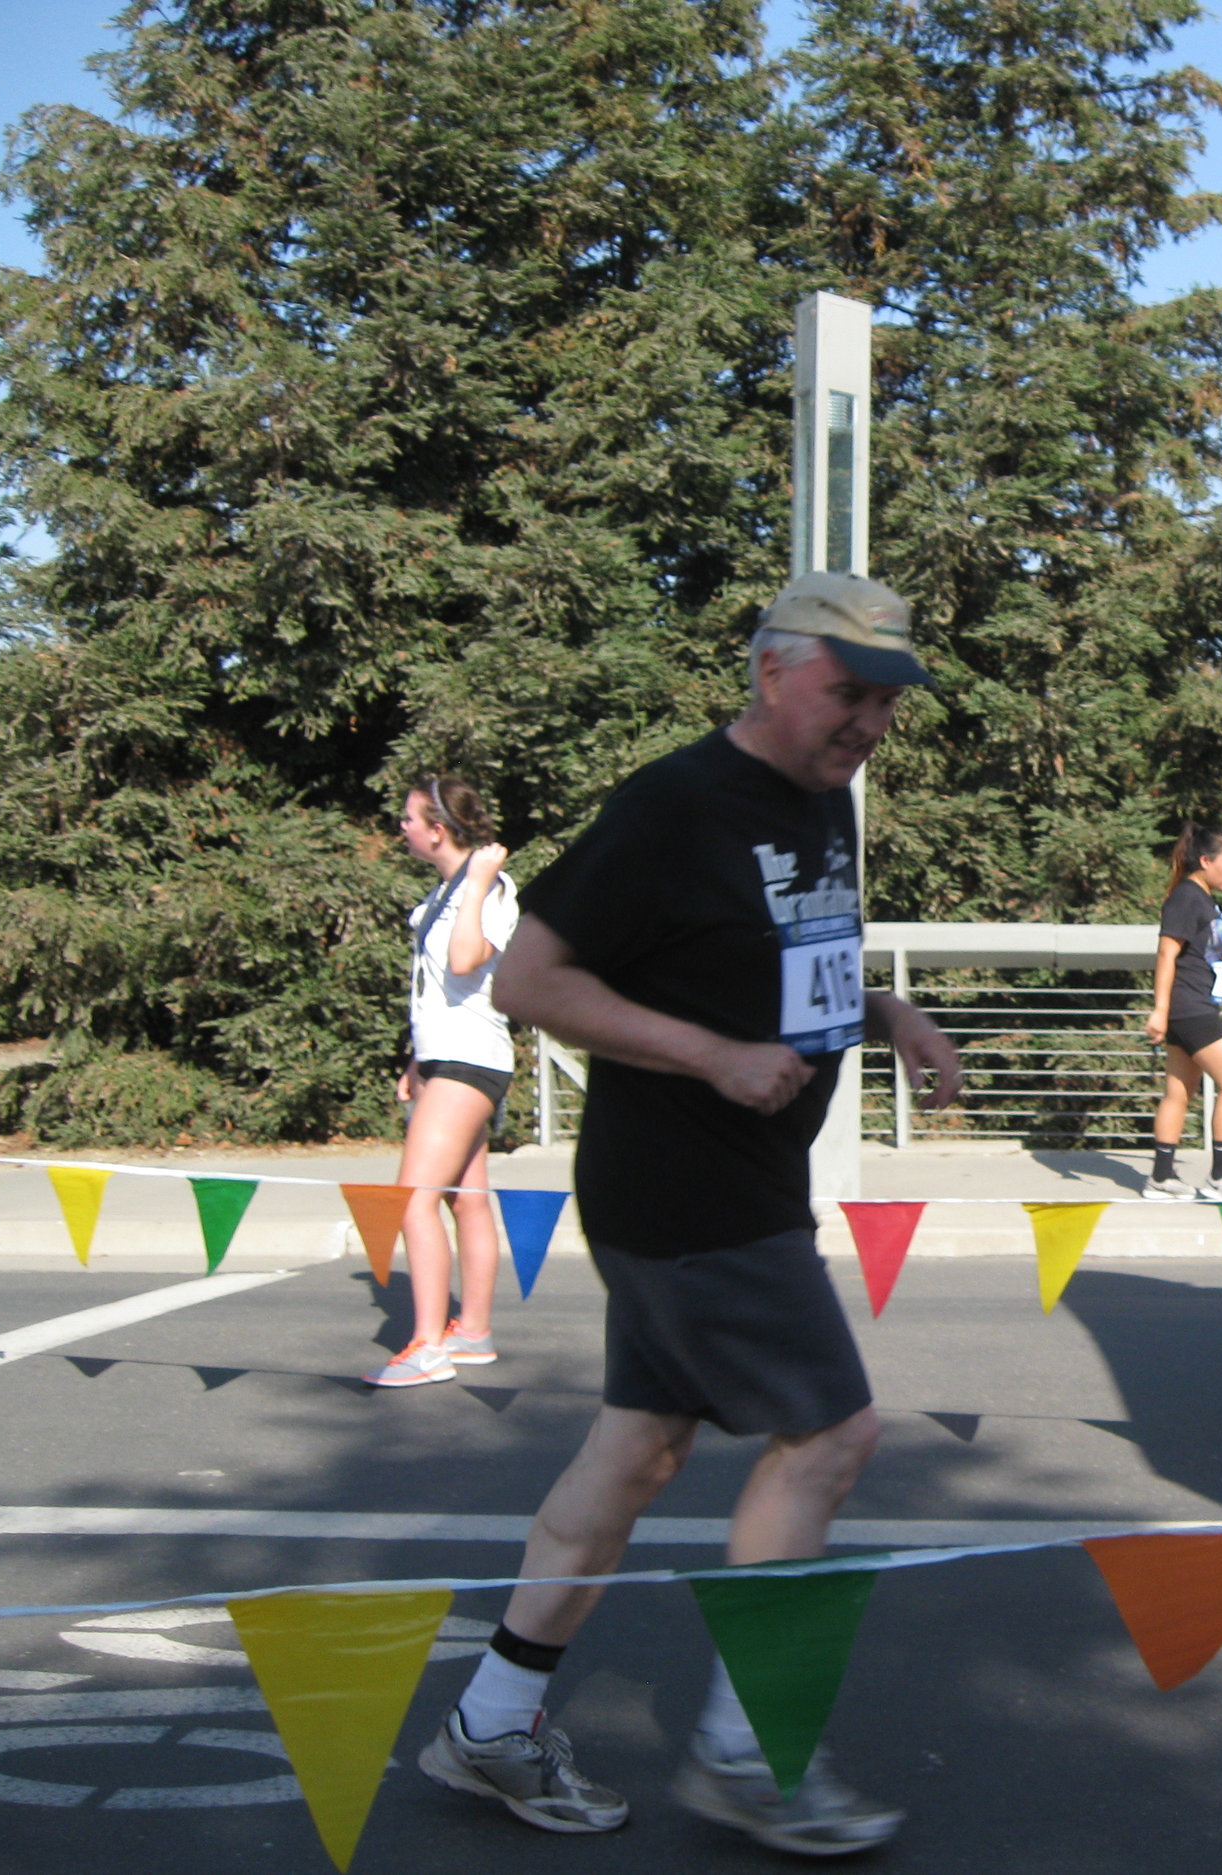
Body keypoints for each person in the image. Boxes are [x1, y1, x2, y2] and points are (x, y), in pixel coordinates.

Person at [417, 570, 962, 1854]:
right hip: (688, 1181)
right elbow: (529, 981)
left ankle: (492, 1724)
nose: (871, 724)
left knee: (638, 1452)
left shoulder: (821, 800)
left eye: (889, 702)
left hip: (739, 1179)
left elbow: (781, 957)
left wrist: (881, 1014)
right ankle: (749, 1751)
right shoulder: (671, 805)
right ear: (773, 669)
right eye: (850, 693)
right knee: (831, 1438)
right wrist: (708, 1057)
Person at [367, 777, 521, 1389]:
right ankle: (473, 1332)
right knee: (465, 1197)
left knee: (413, 1199)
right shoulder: (445, 889)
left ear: (438, 828)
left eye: (408, 819)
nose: (400, 828)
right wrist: (415, 1061)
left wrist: (481, 881)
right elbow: (440, 987)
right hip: (443, 1058)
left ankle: (428, 1345)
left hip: (468, 1060)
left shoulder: (492, 888)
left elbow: (465, 961)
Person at [1144, 824, 1222, 1201]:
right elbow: (1167, 953)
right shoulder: (1186, 897)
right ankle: (1221, 1175)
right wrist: (1160, 1010)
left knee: (1178, 1093)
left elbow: (1215, 954)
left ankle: (1161, 1178)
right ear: (1205, 861)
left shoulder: (1204, 901)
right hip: (1190, 1007)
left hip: (1191, 1007)